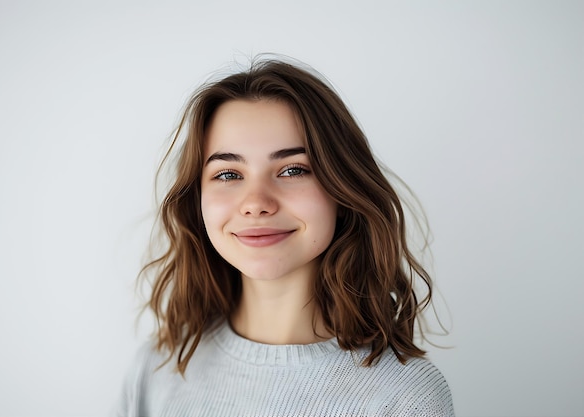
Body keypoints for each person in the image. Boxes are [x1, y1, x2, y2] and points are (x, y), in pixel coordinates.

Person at [115, 56, 455, 416]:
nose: (256, 203)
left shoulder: (405, 397)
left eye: (293, 169)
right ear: (197, 199)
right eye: (228, 175)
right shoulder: (159, 368)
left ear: (342, 191)